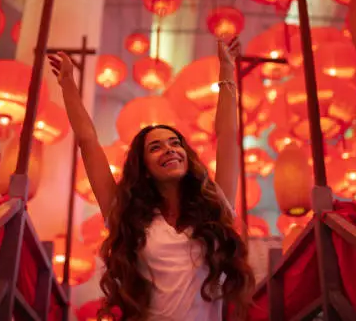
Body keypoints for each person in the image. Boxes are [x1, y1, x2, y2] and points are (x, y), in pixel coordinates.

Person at [48, 39, 254, 321]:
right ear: (143, 168)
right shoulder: (128, 215)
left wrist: (227, 72)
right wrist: (68, 84)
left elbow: (228, 136)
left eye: (175, 143)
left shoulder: (213, 204)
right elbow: (88, 141)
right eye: (156, 147)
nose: (169, 149)